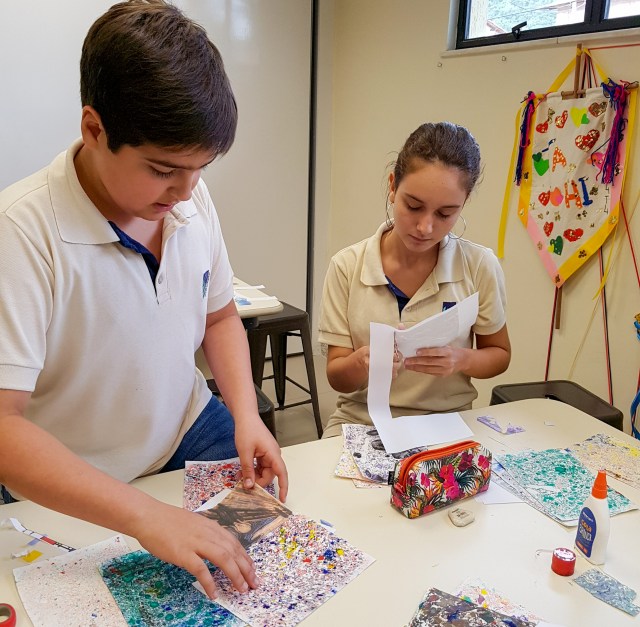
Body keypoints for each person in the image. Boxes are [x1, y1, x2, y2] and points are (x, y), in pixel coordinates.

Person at [0, 0, 288, 600]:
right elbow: (4, 427)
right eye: (162, 170)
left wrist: (245, 414)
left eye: (200, 169)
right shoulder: (22, 232)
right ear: (94, 129)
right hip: (77, 468)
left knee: (266, 567)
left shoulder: (188, 197)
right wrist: (146, 516)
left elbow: (220, 316)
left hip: (186, 428)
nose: (185, 191)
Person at [318, 122, 511, 438]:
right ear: (393, 186)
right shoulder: (347, 266)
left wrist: (461, 359)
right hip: (362, 422)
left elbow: (499, 355)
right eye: (413, 206)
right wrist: (361, 362)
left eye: (445, 214)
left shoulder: (479, 266)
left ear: (463, 204)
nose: (425, 227)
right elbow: (337, 378)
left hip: (447, 422)